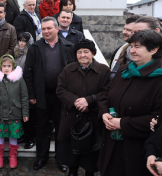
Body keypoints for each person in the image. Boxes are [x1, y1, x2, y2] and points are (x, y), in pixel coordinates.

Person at [98, 30, 162, 176]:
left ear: (154, 49)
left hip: (137, 149)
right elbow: (104, 95)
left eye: (137, 47)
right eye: (131, 46)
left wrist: (124, 123)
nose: (131, 51)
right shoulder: (124, 70)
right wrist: (104, 113)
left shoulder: (159, 79)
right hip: (111, 145)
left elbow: (157, 118)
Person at [23, 17, 75, 172]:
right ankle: (41, 157)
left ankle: (62, 159)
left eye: (49, 28)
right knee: (42, 128)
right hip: (41, 95)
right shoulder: (35, 48)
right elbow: (28, 73)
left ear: (57, 29)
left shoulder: (68, 46)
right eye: (43, 29)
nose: (45, 31)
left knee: (62, 129)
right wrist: (31, 94)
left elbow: (73, 72)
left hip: (63, 97)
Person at [56, 39, 111, 176]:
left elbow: (107, 91)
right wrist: (75, 101)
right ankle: (72, 170)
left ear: (92, 53)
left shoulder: (103, 70)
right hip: (72, 117)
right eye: (79, 52)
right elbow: (60, 90)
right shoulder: (68, 69)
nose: (82, 55)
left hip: (92, 117)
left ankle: (90, 172)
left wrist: (89, 100)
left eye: (86, 51)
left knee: (91, 151)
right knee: (71, 148)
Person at [0, 54, 29, 169]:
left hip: (15, 113)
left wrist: (25, 113)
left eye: (8, 66)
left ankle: (12, 156)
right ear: (0, 66)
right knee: (0, 135)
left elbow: (24, 97)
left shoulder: (19, 80)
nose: (6, 68)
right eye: (4, 66)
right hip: (0, 112)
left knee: (13, 135)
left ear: (13, 66)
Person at [109, 15, 140, 79]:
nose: (124, 32)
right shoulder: (120, 50)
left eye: (128, 30)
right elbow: (113, 73)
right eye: (124, 29)